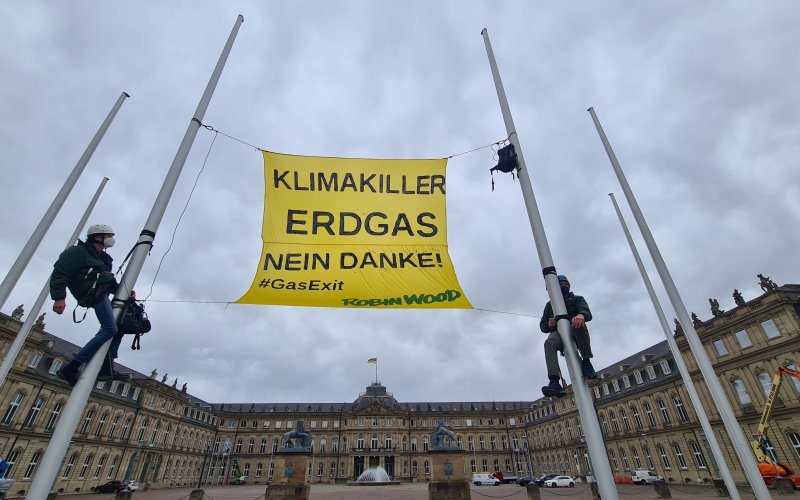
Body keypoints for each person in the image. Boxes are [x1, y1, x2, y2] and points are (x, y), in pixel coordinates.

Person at [49, 223, 125, 386]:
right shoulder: (77, 252)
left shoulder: (103, 258)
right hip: (91, 293)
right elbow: (59, 274)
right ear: (98, 236)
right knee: (110, 329)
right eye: (109, 236)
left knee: (118, 327)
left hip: (100, 292)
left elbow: (108, 280)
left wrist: (125, 292)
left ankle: (106, 366)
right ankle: (72, 367)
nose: (112, 240)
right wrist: (59, 298)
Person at [539, 275, 597, 398]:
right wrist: (550, 324)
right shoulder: (549, 305)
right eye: (561, 284)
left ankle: (586, 362)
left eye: (566, 284)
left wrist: (581, 315)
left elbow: (587, 313)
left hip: (575, 330)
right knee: (549, 343)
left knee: (578, 325)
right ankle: (554, 380)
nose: (564, 286)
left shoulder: (577, 299)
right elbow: (543, 326)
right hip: (558, 333)